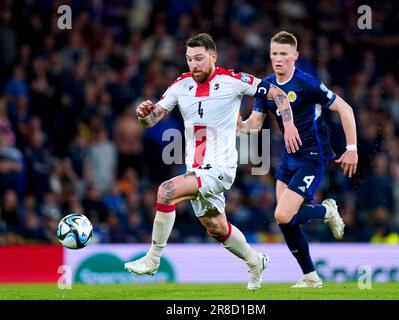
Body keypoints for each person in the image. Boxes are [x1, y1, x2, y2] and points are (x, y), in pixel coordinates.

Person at [124, 33, 302, 290]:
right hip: (195, 168)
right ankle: (255, 262)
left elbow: (280, 95)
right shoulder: (181, 85)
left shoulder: (233, 80)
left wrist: (289, 126)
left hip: (220, 168)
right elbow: (152, 119)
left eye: (199, 58)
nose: (193, 64)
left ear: (213, 56)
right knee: (216, 228)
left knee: (167, 191)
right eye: (188, 59)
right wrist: (143, 115)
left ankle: (153, 259)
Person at [238, 31, 358, 288]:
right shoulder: (265, 88)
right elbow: (254, 126)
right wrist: (239, 123)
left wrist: (352, 148)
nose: (278, 59)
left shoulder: (308, 84)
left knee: (282, 214)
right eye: (274, 54)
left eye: (284, 54)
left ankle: (327, 210)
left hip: (312, 157)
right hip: (288, 158)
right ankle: (311, 277)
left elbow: (344, 108)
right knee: (286, 220)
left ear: (295, 56)